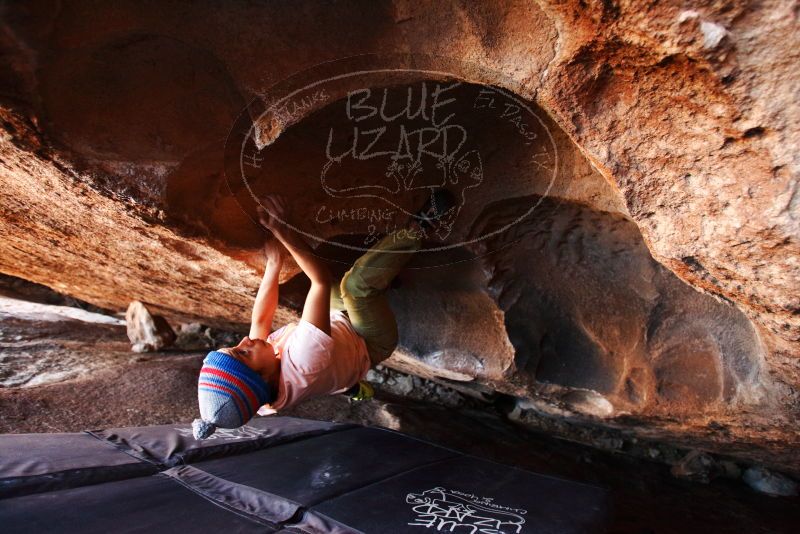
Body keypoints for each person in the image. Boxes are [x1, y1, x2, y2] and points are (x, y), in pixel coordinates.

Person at [192, 190, 455, 439]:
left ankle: (382, 279)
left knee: (336, 291)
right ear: (263, 377)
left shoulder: (258, 395)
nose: (245, 342)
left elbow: (260, 321)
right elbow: (317, 280)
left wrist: (274, 264)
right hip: (368, 341)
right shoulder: (303, 363)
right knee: (356, 287)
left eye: (234, 346)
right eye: (243, 352)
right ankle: (420, 227)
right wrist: (283, 228)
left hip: (337, 336)